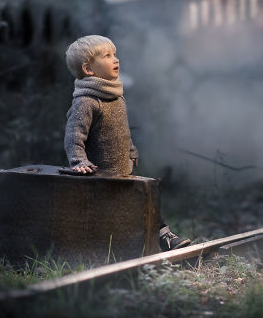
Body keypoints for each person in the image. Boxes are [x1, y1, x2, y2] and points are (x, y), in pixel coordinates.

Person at [63, 34, 190, 251]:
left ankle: (162, 238)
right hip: (100, 176)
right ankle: (151, 241)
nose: (116, 59)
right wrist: (78, 161)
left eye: (115, 54)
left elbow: (122, 131)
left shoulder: (117, 97)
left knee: (143, 202)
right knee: (120, 210)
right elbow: (74, 135)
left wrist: (131, 150)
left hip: (122, 171)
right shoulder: (86, 101)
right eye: (107, 56)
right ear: (88, 69)